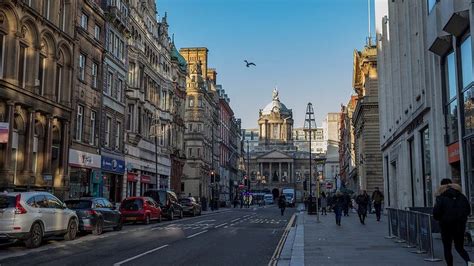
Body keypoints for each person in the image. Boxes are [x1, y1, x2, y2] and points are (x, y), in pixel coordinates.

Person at [433, 179, 471, 266]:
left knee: (447, 248)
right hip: (460, 225)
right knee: (460, 247)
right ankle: (471, 264)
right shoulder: (461, 196)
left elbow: (436, 213)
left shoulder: (441, 197)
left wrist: (440, 219)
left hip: (446, 226)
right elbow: (468, 210)